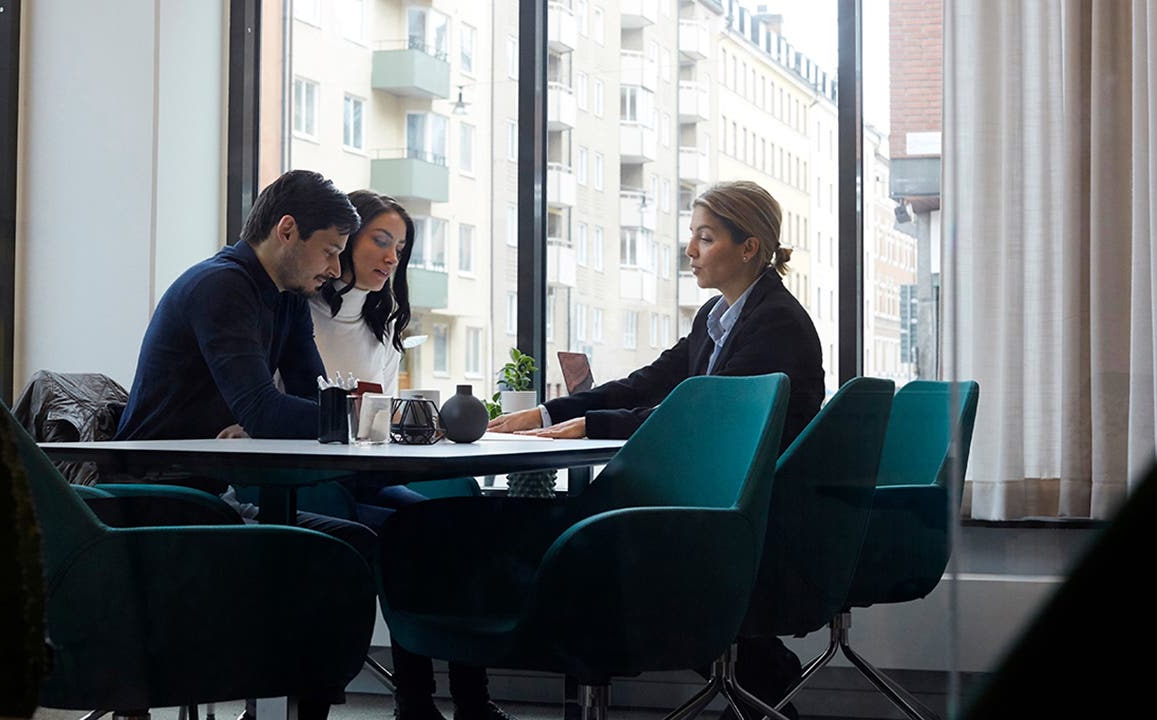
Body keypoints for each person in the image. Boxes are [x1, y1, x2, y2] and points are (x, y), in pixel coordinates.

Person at [488, 180, 821, 720]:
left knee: (591, 544)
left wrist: (587, 424)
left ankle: (756, 667)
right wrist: (553, 412)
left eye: (705, 238)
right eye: (693, 236)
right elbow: (649, 383)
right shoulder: (716, 318)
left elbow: (704, 419)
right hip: (717, 500)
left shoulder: (776, 322)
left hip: (755, 516)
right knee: (579, 533)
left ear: (749, 247)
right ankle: (760, 668)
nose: (690, 250)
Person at [113, 169, 374, 720]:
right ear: (286, 230)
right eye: (329, 252)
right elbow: (265, 408)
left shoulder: (284, 299)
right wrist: (365, 419)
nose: (333, 270)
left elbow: (310, 397)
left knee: (351, 543)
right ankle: (270, 675)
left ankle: (304, 695)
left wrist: (354, 417)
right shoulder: (220, 286)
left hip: (211, 494)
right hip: (162, 499)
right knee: (320, 552)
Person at [308, 189, 516, 720]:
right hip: (308, 478)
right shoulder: (299, 314)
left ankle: (470, 700)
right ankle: (416, 702)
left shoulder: (384, 326)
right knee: (409, 533)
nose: (390, 257)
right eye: (380, 240)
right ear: (344, 238)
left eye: (399, 248)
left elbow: (376, 419)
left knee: (453, 518)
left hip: (364, 477)